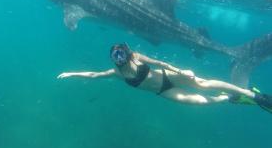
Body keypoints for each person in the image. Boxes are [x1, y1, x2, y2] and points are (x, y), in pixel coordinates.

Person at [57, 43, 272, 113]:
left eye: (122, 53)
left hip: (169, 76)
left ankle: (251, 94)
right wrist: (71, 73)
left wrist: (181, 71)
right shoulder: (116, 73)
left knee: (203, 85)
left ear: (127, 52)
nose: (120, 58)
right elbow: (94, 75)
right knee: (196, 102)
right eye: (116, 56)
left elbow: (160, 63)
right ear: (113, 58)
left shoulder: (138, 58)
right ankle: (229, 98)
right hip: (163, 91)